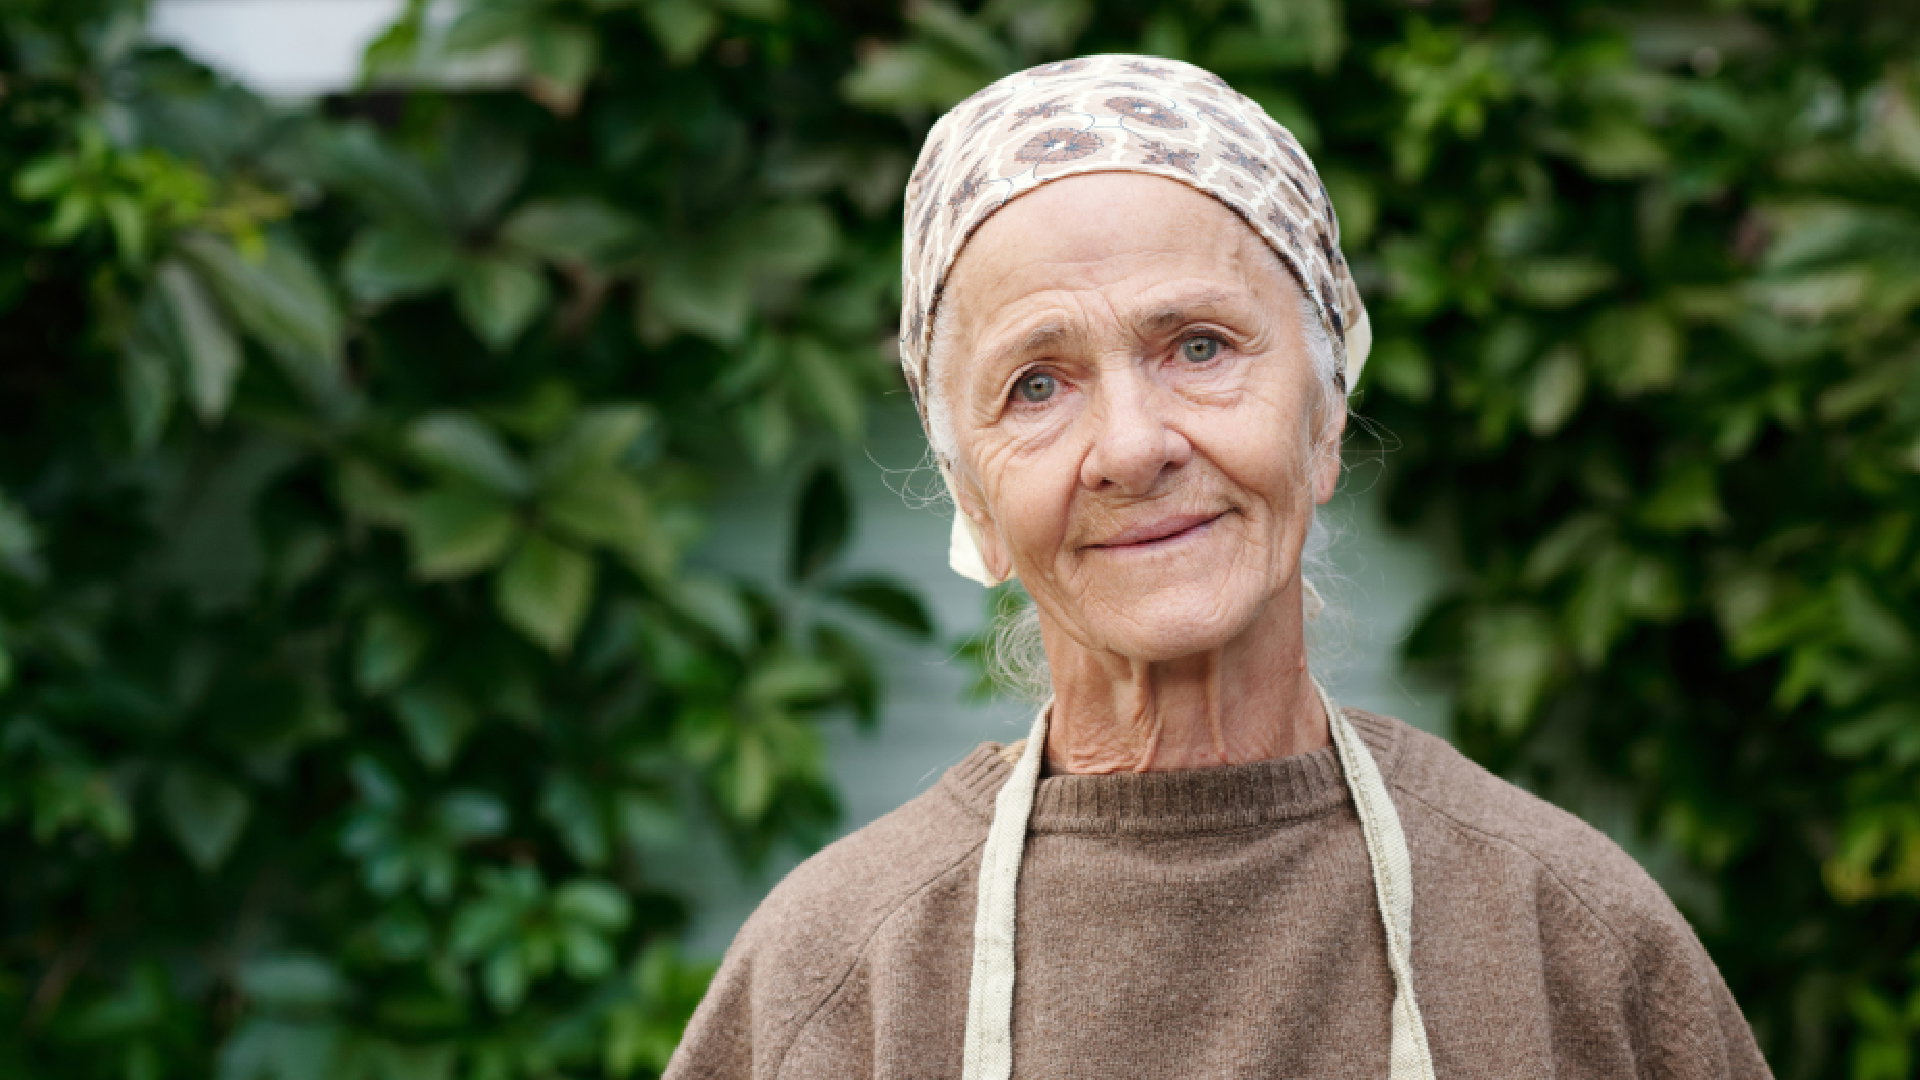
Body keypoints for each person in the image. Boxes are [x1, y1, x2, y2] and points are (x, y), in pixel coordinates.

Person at [664, 54, 1773, 1079]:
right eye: (1036, 385)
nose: (1133, 446)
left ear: (1325, 419)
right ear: (975, 500)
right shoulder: (837, 973)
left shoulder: (1567, 933)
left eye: (1199, 346)